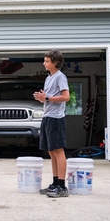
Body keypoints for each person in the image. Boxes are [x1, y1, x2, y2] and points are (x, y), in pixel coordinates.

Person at [33, 50, 71, 198]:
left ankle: (62, 186)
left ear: (55, 62)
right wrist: (43, 98)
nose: (44, 63)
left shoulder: (60, 77)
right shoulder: (49, 78)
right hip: (47, 116)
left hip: (56, 118)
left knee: (58, 151)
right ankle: (55, 183)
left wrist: (47, 98)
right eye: (44, 61)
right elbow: (48, 97)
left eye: (47, 61)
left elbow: (66, 97)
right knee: (51, 151)